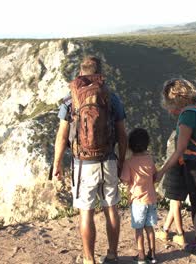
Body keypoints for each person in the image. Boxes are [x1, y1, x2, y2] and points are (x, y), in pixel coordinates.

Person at [53, 56, 127, 264]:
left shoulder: (71, 100)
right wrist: (122, 160)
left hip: (83, 164)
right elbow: (122, 134)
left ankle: (89, 259)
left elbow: (61, 136)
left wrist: (56, 164)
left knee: (86, 213)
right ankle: (112, 255)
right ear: (99, 73)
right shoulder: (112, 99)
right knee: (111, 208)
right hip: (108, 160)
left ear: (81, 74)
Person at [155, 78, 196, 255]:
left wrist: (162, 172)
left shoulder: (187, 116)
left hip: (195, 164)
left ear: (174, 99)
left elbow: (179, 149)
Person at [120, 128, 158, 264]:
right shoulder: (149, 159)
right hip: (151, 200)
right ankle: (152, 254)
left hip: (137, 201)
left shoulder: (129, 162)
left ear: (130, 146)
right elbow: (154, 176)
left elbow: (125, 180)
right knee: (150, 228)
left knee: (138, 230)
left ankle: (141, 256)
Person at [155, 130, 186, 247]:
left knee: (175, 203)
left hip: (175, 170)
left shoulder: (178, 133)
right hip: (185, 169)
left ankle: (180, 234)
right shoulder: (189, 130)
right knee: (175, 203)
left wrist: (163, 171)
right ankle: (165, 230)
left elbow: (173, 154)